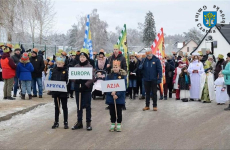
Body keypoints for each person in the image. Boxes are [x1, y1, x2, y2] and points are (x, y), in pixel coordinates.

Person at [72, 48, 94, 131]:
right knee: (79, 106)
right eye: (81, 57)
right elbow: (72, 76)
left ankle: (88, 122)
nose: (82, 58)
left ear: (86, 58)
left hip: (86, 89)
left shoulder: (89, 66)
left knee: (88, 105)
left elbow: (92, 78)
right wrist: (76, 81)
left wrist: (85, 85)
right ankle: (79, 122)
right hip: (78, 89)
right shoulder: (76, 66)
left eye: (83, 57)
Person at [106, 60, 127, 132]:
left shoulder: (122, 76)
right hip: (111, 98)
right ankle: (112, 123)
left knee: (118, 111)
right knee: (112, 112)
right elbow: (106, 86)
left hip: (119, 98)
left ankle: (118, 123)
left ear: (119, 67)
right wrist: (111, 93)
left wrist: (117, 94)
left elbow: (123, 87)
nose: (115, 68)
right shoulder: (109, 76)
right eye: (114, 67)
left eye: (116, 67)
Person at [51, 56, 69, 129]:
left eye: (60, 63)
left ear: (63, 63)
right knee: (57, 107)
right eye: (58, 63)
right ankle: (56, 122)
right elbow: (52, 80)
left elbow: (67, 81)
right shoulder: (54, 70)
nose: (59, 65)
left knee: (64, 107)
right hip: (56, 92)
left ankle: (65, 122)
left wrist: (63, 86)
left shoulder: (66, 71)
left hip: (63, 92)